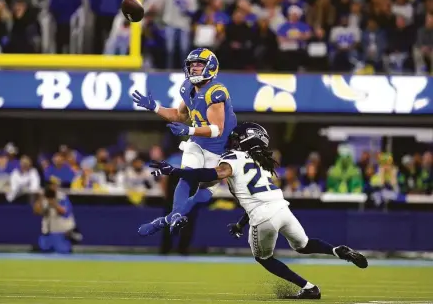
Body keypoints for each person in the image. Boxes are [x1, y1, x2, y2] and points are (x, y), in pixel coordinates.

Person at [150, 122, 368, 300]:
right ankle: (337, 250)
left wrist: (176, 171)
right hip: (282, 208)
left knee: (264, 258)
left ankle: (309, 288)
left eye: (236, 138)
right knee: (304, 244)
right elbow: (257, 197)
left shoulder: (233, 158)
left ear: (243, 139)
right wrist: (240, 225)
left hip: (263, 215)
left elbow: (213, 174)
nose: (233, 141)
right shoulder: (262, 163)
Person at [132, 47, 237, 236]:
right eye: (192, 65)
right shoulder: (187, 88)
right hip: (197, 142)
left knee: (204, 194)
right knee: (187, 176)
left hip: (219, 149)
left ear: (211, 66)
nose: (194, 68)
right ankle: (174, 218)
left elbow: (216, 129)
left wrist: (188, 129)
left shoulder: (216, 92)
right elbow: (179, 116)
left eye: (199, 64)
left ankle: (165, 220)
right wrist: (155, 107)